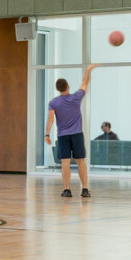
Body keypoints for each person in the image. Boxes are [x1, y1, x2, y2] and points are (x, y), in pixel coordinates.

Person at [46, 64, 97, 197]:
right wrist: (88, 70)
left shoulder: (54, 103)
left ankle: (67, 190)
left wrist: (47, 134)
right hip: (77, 135)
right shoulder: (76, 97)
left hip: (63, 136)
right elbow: (85, 83)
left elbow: (50, 119)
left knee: (65, 163)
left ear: (57, 89)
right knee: (81, 162)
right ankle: (85, 189)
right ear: (68, 86)